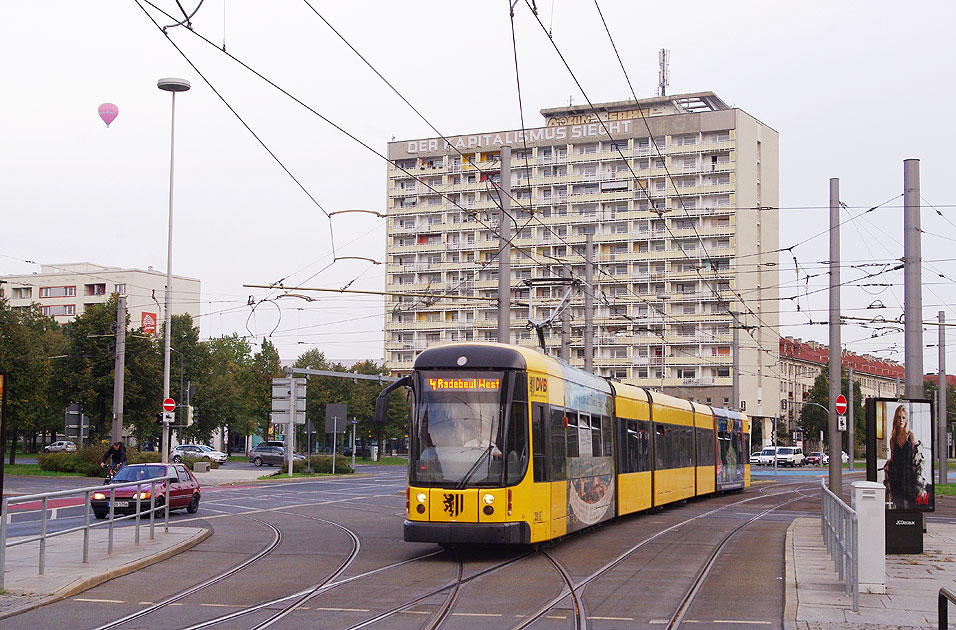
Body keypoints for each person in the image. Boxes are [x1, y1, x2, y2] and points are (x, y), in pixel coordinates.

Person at [884, 405, 926, 509]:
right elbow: (893, 458)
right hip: (897, 475)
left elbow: (916, 454)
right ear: (895, 419)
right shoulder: (892, 439)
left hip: (909, 475)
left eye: (903, 417)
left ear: (906, 419)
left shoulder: (910, 435)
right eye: (899, 417)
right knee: (898, 502)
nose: (901, 420)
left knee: (909, 502)